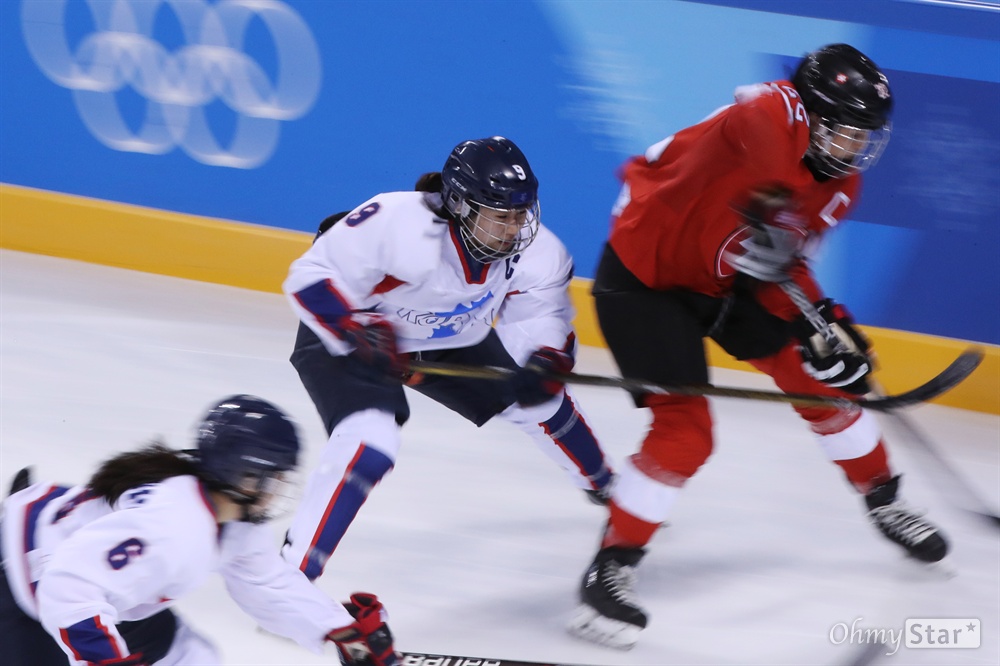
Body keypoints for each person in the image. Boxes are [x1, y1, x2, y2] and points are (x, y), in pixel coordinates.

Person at [569, 44, 948, 649]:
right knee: (686, 433)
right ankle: (611, 566)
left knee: (822, 379)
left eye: (863, 136)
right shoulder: (772, 114)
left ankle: (882, 499)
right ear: (811, 113)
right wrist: (772, 194)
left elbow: (783, 264)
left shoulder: (841, 186)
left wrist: (825, 323)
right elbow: (758, 115)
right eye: (843, 131)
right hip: (645, 279)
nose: (852, 148)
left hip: (730, 280)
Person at [281, 136, 614, 581]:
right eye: (501, 216)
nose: (514, 229)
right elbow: (310, 276)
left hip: (452, 333)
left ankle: (604, 484)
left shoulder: (541, 254)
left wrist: (545, 359)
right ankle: (292, 577)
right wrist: (352, 327)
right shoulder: (396, 223)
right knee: (371, 441)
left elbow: (539, 314)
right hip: (358, 334)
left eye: (521, 214)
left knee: (540, 403)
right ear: (460, 204)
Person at [0, 395, 399, 666]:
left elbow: (266, 584)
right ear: (243, 476)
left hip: (88, 577)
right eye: (272, 477)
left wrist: (338, 628)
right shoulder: (173, 527)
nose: (278, 488)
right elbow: (68, 588)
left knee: (195, 658)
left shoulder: (233, 522)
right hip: (22, 588)